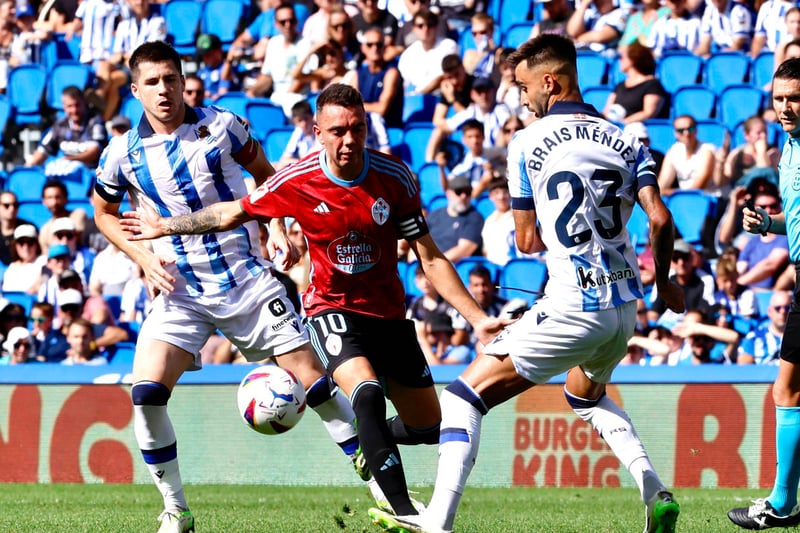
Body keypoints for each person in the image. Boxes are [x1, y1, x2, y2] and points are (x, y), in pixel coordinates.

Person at [120, 82, 507, 519]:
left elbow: (430, 258)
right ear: (319, 133)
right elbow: (232, 212)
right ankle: (404, 511)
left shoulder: (395, 177)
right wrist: (165, 226)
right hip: (331, 310)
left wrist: (477, 319)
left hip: (388, 316)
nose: (349, 140)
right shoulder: (297, 180)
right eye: (338, 131)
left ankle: (371, 438)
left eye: (357, 129)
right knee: (366, 394)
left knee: (428, 426)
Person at [370, 33, 684, 533]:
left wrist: (553, 231)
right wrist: (664, 283)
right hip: (625, 306)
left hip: (574, 304)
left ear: (549, 82)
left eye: (523, 88)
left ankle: (437, 523)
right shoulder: (628, 140)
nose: (521, 99)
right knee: (586, 396)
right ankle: (655, 492)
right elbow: (662, 220)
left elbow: (526, 241)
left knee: (462, 399)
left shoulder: (526, 142)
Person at [92, 41, 367, 532]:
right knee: (146, 394)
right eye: (152, 82)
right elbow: (103, 214)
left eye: (170, 79)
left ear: (183, 81)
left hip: (246, 282)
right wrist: (143, 258)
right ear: (135, 91)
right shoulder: (121, 154)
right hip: (180, 290)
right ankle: (176, 509)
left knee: (316, 385)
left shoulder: (223, 125)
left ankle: (385, 489)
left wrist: (277, 226)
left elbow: (266, 176)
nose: (163, 90)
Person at [727, 56, 800, 529]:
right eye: (779, 99)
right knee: (788, 388)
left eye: (795, 98)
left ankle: (781, 503)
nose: (785, 107)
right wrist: (769, 224)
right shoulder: (788, 149)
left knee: (787, 388)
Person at [25, 85, 109, 176]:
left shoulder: (95, 122)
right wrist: (28, 168)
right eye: (70, 106)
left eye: (77, 105)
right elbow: (43, 150)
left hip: (91, 174)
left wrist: (69, 160)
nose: (74, 110)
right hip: (66, 173)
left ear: (84, 103)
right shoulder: (59, 125)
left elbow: (94, 152)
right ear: (64, 107)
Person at [603, 41, 669, 124]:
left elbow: (649, 113)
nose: (620, 61)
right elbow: (606, 111)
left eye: (622, 57)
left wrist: (623, 124)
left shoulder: (653, 85)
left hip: (636, 128)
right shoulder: (620, 86)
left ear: (633, 59)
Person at [426, 175, 484, 262]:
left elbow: (464, 250)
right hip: (428, 263)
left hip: (452, 266)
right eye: (458, 192)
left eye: (468, 192)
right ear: (448, 194)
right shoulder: (434, 215)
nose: (464, 196)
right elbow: (420, 241)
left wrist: (435, 263)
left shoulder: (475, 218)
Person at [737, 289, 790, 365]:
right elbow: (743, 367)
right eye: (778, 308)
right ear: (769, 311)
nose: (783, 312)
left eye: (787, 308)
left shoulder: (797, 338)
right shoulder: (754, 337)